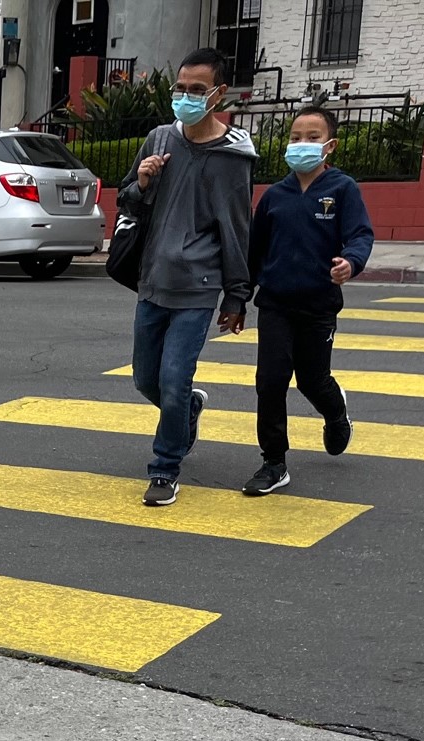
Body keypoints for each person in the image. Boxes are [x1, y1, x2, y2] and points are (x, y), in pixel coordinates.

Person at [116, 47, 256, 507]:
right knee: (145, 380)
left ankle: (164, 468)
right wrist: (142, 181)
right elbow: (128, 200)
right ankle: (188, 410)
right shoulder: (159, 138)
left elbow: (236, 228)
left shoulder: (233, 157)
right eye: (181, 88)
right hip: (153, 280)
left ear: (218, 94)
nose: (186, 96)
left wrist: (237, 296)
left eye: (197, 90)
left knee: (174, 379)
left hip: (198, 287)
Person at [243, 106, 374, 496]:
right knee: (270, 381)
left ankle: (336, 413)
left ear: (329, 146)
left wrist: (350, 263)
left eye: (312, 137)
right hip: (275, 304)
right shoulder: (274, 197)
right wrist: (237, 299)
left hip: (318, 305)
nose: (302, 144)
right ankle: (273, 461)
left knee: (312, 380)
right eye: (296, 136)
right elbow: (255, 252)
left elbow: (360, 235)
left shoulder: (342, 189)